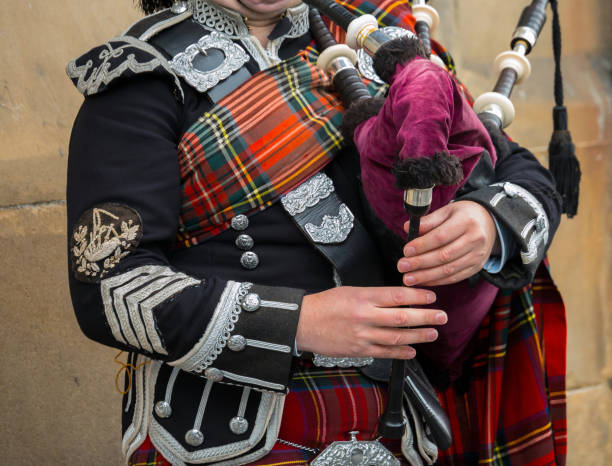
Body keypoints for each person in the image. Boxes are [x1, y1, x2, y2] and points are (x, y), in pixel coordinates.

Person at [65, 0, 566, 464]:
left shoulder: (376, 46)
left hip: (394, 430)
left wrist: (487, 221)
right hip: (224, 436)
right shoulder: (144, 75)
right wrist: (297, 321)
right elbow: (111, 288)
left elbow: (516, 169)